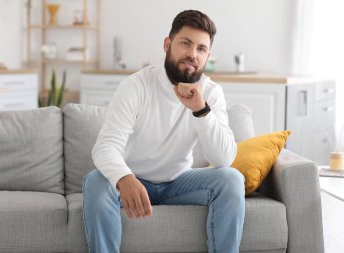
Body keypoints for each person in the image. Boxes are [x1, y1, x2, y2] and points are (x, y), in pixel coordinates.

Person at [82, 9, 245, 253]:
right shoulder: (136, 86)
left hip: (178, 182)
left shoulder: (210, 92)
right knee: (96, 181)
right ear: (167, 44)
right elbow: (106, 146)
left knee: (232, 180)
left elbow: (223, 159)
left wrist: (201, 110)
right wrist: (125, 179)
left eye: (201, 49)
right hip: (133, 179)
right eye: (185, 44)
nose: (192, 54)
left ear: (207, 55)